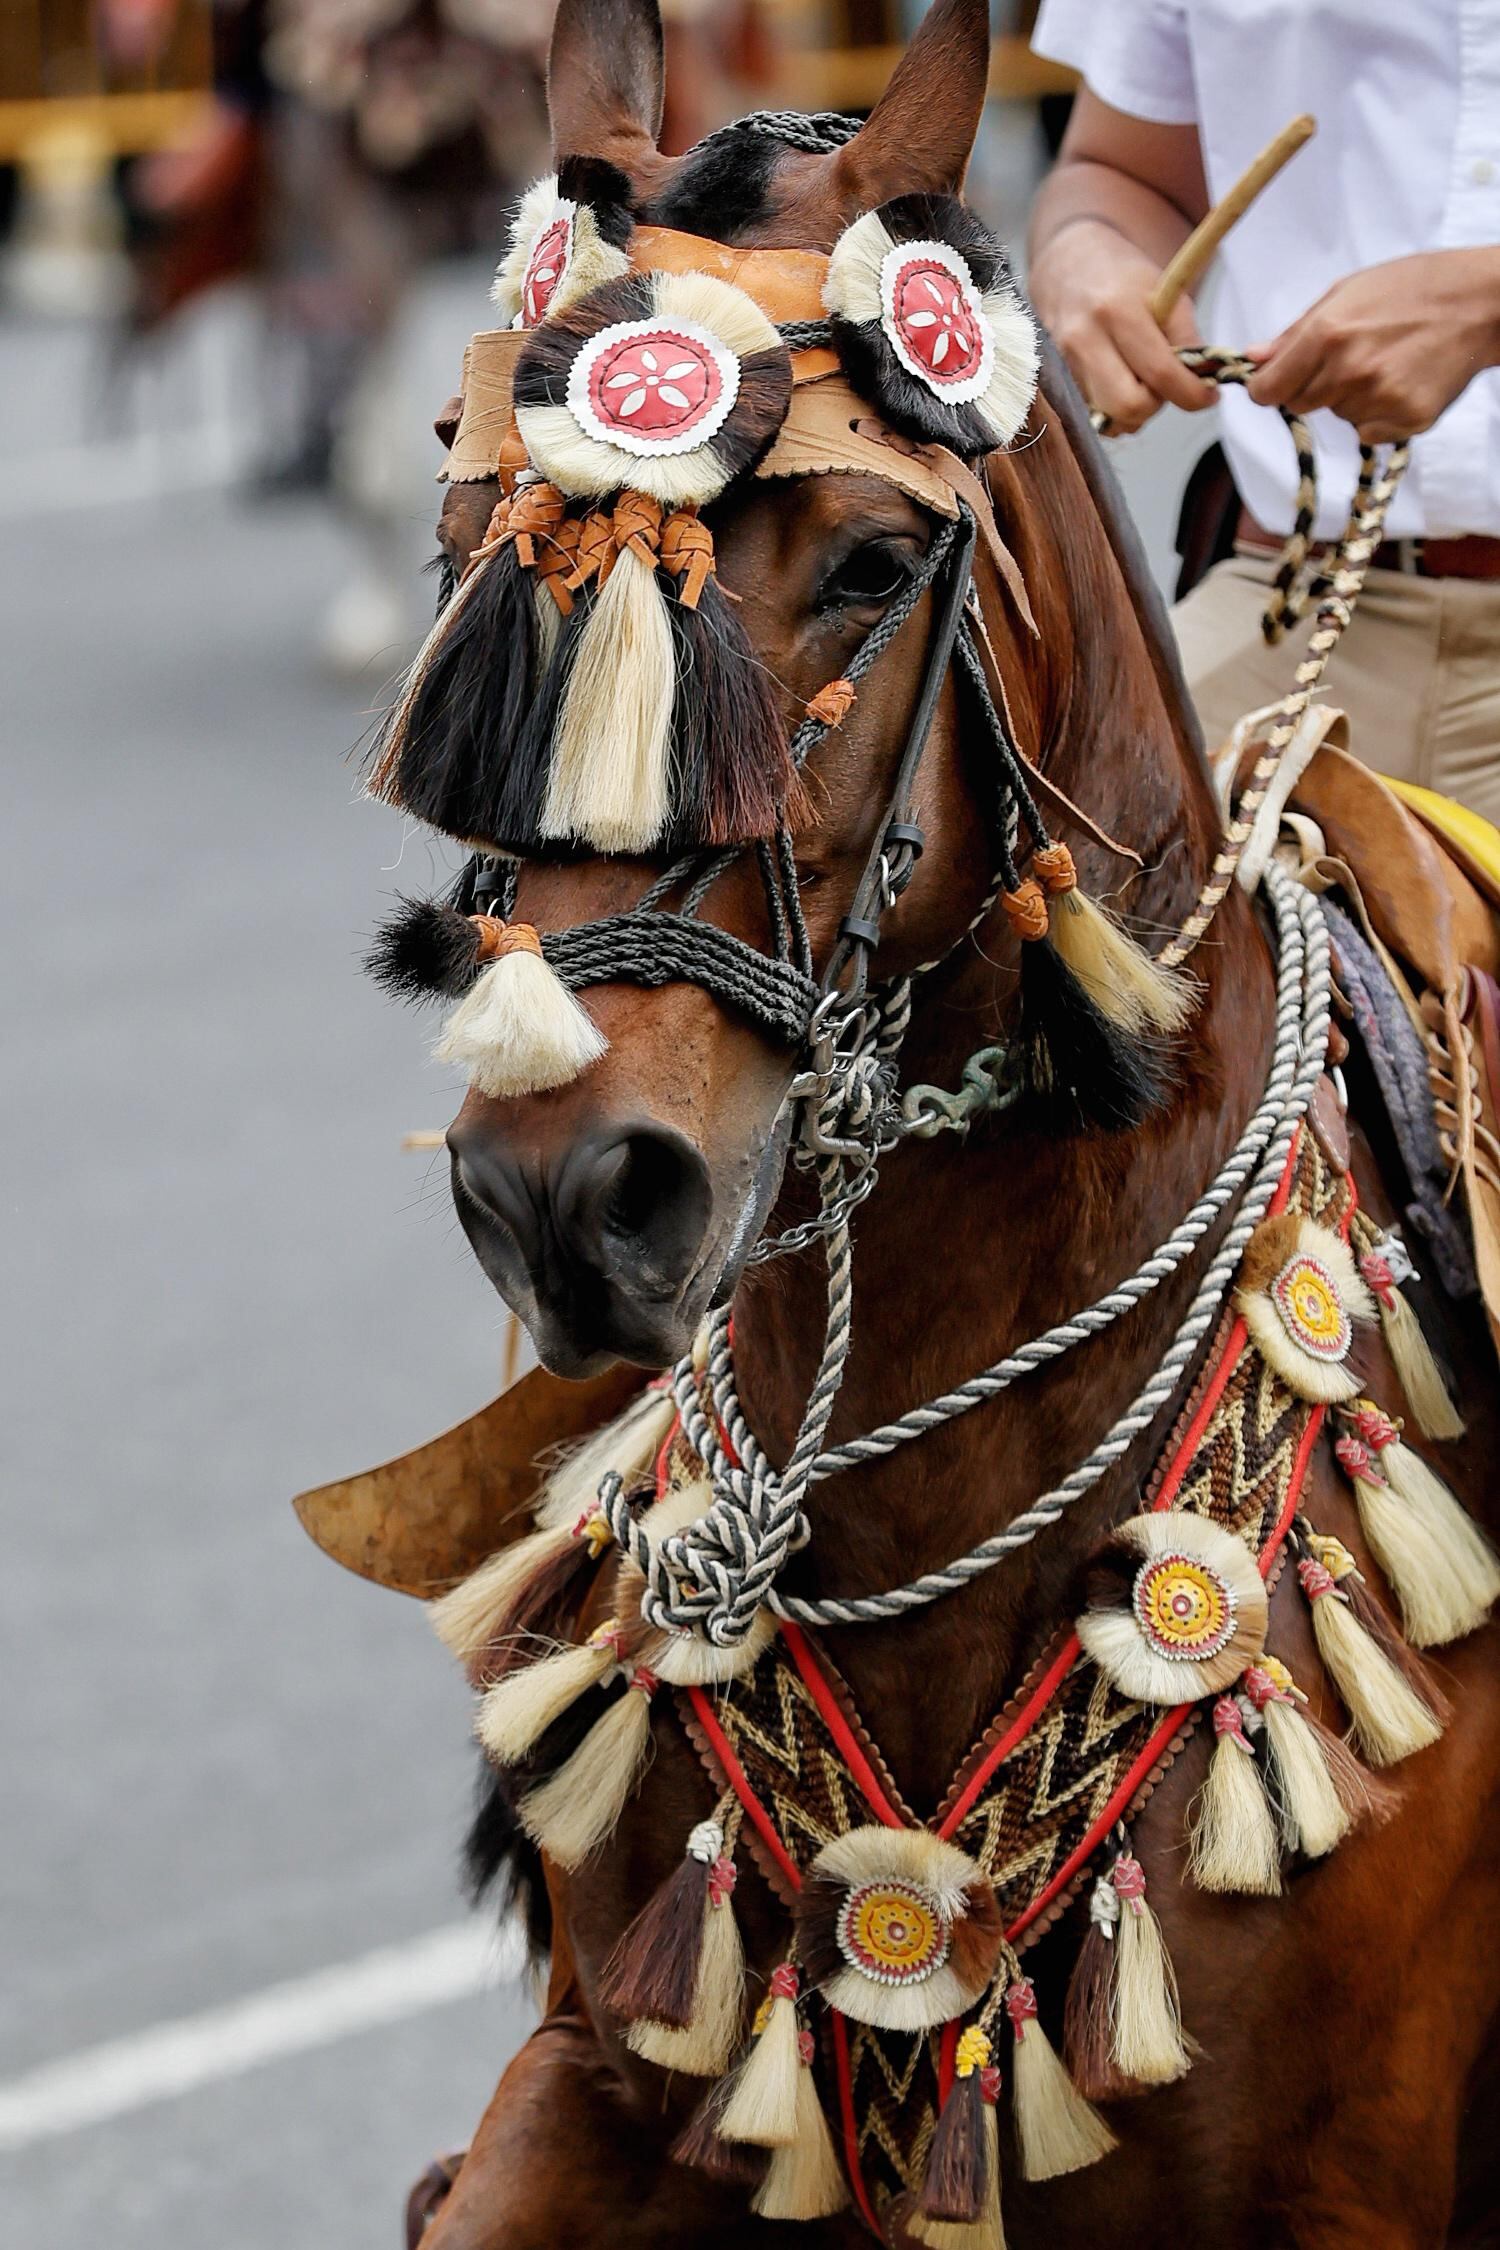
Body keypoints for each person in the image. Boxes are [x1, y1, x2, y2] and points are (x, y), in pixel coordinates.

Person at [1025, 1, 1500, 823]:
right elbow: (1122, 170)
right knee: (1019, 853)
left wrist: (1486, 302)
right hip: (1297, 602)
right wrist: (1086, 251)